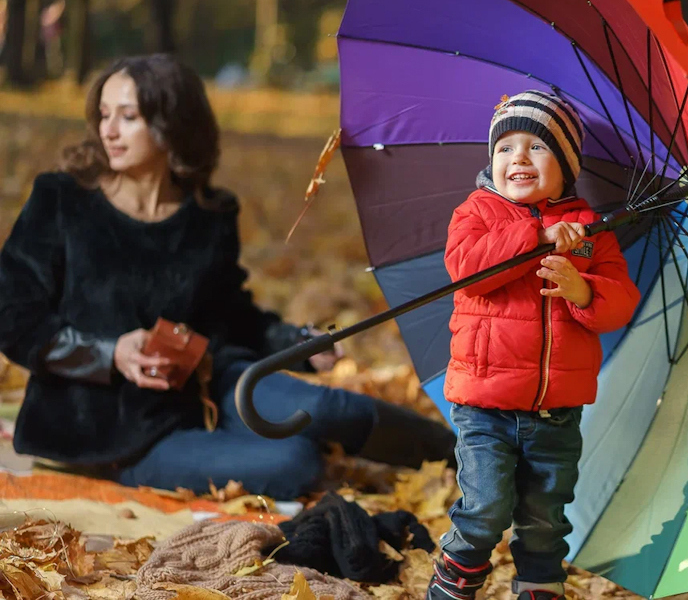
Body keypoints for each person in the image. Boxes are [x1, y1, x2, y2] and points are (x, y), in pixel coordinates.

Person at [0, 53, 455, 501]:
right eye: (103, 115)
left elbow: (230, 315)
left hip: (208, 379)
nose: (109, 130)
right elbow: (12, 315)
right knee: (294, 463)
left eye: (128, 116)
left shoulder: (207, 215)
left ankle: (475, 455)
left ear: (170, 125)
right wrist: (111, 353)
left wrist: (297, 342)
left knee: (330, 407)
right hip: (111, 430)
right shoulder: (61, 201)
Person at [426, 91, 641, 600]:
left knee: (545, 518)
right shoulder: (476, 213)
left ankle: (539, 589)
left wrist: (582, 289)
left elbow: (620, 301)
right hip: (485, 403)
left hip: (556, 410)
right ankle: (451, 585)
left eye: (536, 148)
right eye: (505, 148)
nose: (517, 158)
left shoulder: (590, 230)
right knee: (486, 509)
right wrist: (537, 235)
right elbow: (468, 271)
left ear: (566, 165)